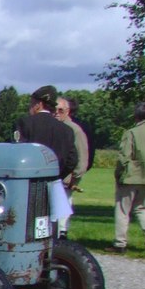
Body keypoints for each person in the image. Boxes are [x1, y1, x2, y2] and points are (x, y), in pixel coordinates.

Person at [112, 101, 145, 253]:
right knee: (142, 208)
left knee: (123, 209)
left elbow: (123, 157)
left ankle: (120, 243)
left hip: (131, 177)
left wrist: (118, 174)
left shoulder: (131, 133)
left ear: (135, 116)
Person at [13, 85, 76, 183]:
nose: (30, 106)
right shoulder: (67, 130)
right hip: (54, 182)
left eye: (32, 103)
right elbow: (72, 161)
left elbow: (17, 153)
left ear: (38, 104)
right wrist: (57, 176)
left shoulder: (25, 123)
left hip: (29, 183)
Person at [54, 96, 89, 237]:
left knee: (63, 207)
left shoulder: (75, 130)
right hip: (55, 176)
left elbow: (82, 156)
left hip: (67, 178)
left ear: (67, 111)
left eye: (60, 110)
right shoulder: (54, 128)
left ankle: (62, 233)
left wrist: (75, 178)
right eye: (54, 110)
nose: (56, 113)